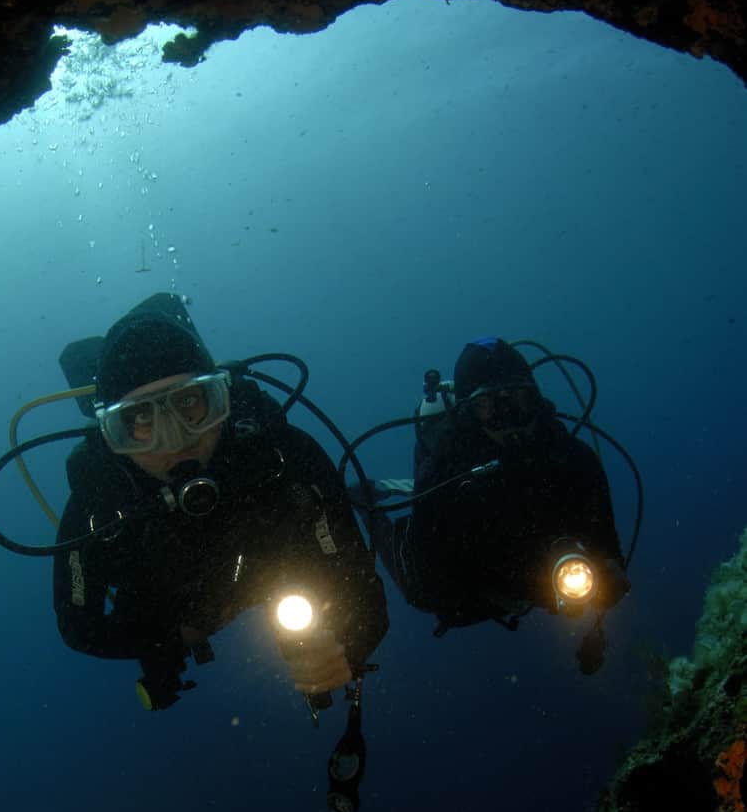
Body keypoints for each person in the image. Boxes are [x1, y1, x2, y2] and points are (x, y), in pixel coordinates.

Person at [52, 292, 389, 710]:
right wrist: (174, 637)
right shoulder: (101, 498)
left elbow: (363, 590)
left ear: (222, 400)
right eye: (140, 419)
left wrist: (347, 650)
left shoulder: (280, 457)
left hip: (274, 576)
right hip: (173, 610)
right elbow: (79, 626)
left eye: (190, 403)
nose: (175, 439)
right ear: (110, 434)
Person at [360, 337, 630, 674]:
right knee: (421, 592)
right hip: (473, 581)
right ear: (468, 413)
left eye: (519, 398)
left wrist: (608, 570)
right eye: (489, 405)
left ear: (535, 398)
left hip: (536, 572)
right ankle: (367, 503)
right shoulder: (445, 471)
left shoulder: (575, 459)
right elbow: (437, 565)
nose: (510, 418)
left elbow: (606, 542)